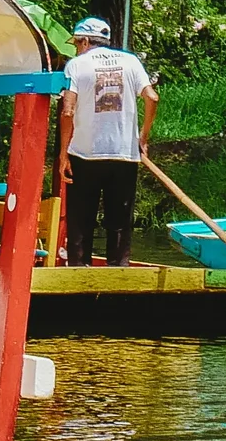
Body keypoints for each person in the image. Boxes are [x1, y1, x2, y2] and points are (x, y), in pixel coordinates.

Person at [59, 16, 157, 268]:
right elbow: (152, 98)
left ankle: (79, 270)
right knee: (120, 220)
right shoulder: (131, 61)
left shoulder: (77, 65)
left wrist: (63, 154)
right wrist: (142, 138)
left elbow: (68, 111)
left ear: (83, 41)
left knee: (81, 220)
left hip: (85, 153)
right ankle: (119, 271)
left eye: (76, 43)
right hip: (124, 153)